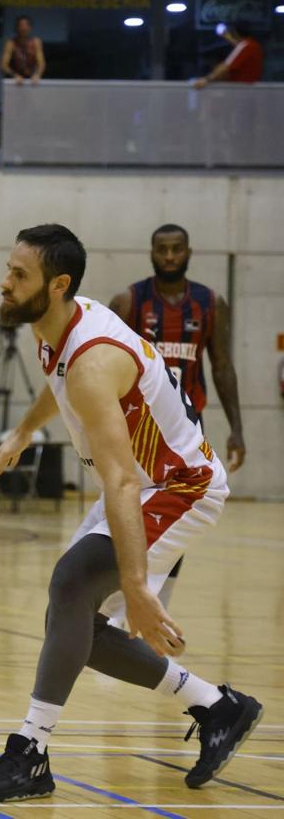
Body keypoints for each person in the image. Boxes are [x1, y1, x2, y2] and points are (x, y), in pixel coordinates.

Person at [0, 224, 262, 803]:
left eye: (18, 275)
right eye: (8, 268)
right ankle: (216, 706)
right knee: (76, 625)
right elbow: (59, 381)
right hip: (144, 482)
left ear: (57, 285)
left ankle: (30, 752)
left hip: (181, 486)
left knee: (70, 583)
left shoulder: (93, 362)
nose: (5, 282)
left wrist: (136, 585)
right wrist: (23, 431)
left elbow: (121, 477)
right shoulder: (58, 326)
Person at [108, 223, 245, 608]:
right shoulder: (129, 302)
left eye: (177, 249)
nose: (170, 256)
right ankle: (121, 595)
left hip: (187, 430)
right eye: (162, 249)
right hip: (138, 427)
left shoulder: (209, 303)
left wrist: (237, 429)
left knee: (176, 514)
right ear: (151, 252)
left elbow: (222, 367)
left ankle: (157, 603)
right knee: (126, 508)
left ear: (189, 251)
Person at [195, 20, 263, 87]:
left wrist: (206, 79)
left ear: (236, 32)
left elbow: (224, 67)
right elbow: (239, 47)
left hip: (240, 89)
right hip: (250, 88)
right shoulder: (254, 45)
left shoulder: (245, 45)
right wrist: (227, 36)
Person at [1, 15, 44, 83]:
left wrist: (37, 75)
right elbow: (3, 65)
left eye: (26, 25)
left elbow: (41, 63)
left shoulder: (36, 42)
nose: (23, 28)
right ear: (17, 28)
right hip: (15, 80)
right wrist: (15, 75)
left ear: (30, 28)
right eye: (21, 26)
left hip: (32, 79)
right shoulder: (11, 43)